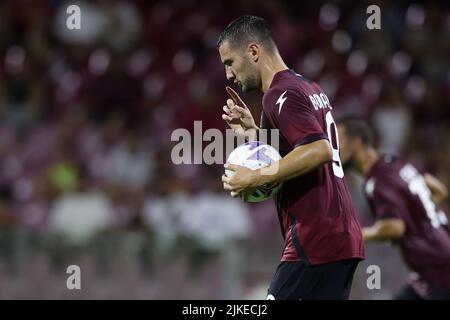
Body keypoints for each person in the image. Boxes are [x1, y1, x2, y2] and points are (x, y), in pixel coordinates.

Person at [217, 15, 364, 300]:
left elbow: (318, 150)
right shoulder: (308, 87)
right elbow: (297, 148)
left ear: (253, 51)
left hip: (316, 238)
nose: (228, 75)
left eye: (229, 62)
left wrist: (254, 176)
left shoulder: (278, 94)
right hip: (338, 236)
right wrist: (254, 134)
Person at [337, 117, 450, 299]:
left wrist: (354, 235)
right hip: (437, 258)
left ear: (356, 142)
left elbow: (394, 227)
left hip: (436, 268)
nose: (334, 148)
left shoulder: (378, 180)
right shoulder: (394, 162)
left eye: (338, 140)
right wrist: (417, 216)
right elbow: (439, 189)